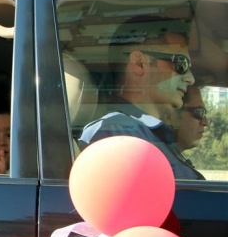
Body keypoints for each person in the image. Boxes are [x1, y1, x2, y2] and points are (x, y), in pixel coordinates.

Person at [78, 15, 204, 180]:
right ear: (139, 63)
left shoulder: (146, 134)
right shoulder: (119, 135)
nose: (191, 79)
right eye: (181, 64)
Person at [174, 85, 209, 152]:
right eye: (199, 112)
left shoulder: (170, 158)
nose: (205, 122)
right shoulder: (157, 158)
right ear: (174, 116)